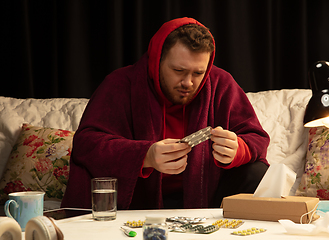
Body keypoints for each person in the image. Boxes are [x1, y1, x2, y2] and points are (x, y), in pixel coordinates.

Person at [61, 17, 270, 210]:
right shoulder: (120, 84)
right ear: (156, 60)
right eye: (178, 71)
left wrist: (238, 150)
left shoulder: (220, 83)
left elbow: (257, 138)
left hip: (208, 198)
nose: (188, 83)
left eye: (198, 73)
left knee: (257, 172)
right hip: (138, 200)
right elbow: (86, 144)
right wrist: (146, 156)